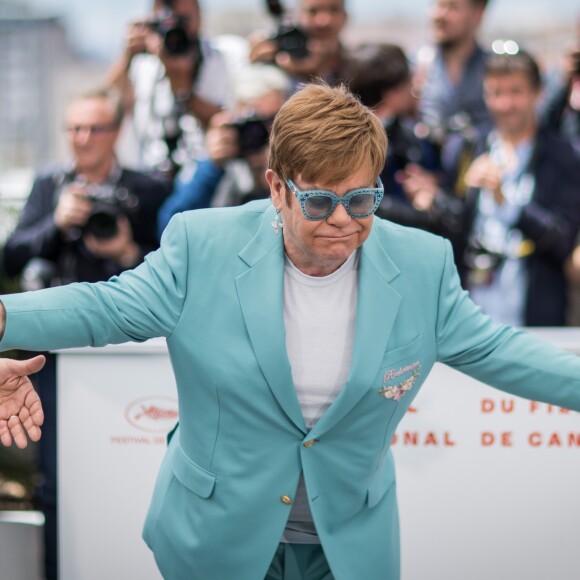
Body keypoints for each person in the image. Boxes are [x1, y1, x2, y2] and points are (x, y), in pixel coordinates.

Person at [1, 83, 580, 580]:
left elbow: (501, 350)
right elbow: (107, 308)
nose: (344, 221)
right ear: (277, 188)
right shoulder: (202, 246)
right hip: (216, 540)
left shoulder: (422, 264)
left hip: (347, 548)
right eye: (321, 201)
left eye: (361, 198)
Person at [2, 88, 168, 580]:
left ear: (116, 132)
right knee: (57, 480)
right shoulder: (50, 183)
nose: (82, 139)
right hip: (51, 352)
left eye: (94, 128)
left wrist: (124, 250)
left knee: (135, 469)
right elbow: (12, 257)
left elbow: (172, 272)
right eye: (74, 128)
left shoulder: (150, 188)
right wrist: (57, 221)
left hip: (132, 354)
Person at [431, 49, 580, 327]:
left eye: (516, 92)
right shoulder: (467, 147)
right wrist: (434, 200)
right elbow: (452, 231)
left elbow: (562, 240)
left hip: (535, 317)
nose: (505, 104)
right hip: (472, 315)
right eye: (496, 93)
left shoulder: (565, 156)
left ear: (537, 93)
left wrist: (506, 202)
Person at [157, 63, 291, 235]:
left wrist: (278, 171)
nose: (263, 131)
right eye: (252, 120)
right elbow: (169, 229)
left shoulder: (296, 164)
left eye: (273, 120)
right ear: (234, 118)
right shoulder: (219, 163)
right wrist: (211, 166)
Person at [105, 0, 231, 183]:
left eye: (184, 19)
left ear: (199, 15)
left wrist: (181, 85)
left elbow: (224, 123)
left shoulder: (219, 58)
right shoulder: (144, 58)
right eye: (168, 19)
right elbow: (107, 107)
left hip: (199, 175)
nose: (177, 29)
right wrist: (127, 56)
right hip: (149, 174)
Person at [418, 0, 491, 139]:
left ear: (478, 13)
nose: (440, 15)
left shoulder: (494, 70)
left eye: (452, 7)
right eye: (439, 5)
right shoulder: (415, 67)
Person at [249, 0, 350, 87]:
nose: (323, 21)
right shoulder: (277, 50)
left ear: (345, 16)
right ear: (298, 15)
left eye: (334, 9)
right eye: (313, 11)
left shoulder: (359, 66)